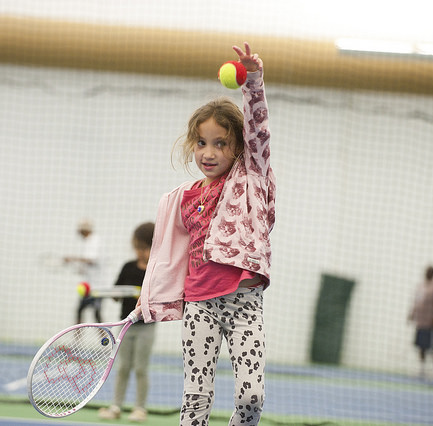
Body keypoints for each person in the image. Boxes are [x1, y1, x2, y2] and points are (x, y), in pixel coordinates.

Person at [136, 42, 275, 426]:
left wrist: (253, 81)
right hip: (200, 304)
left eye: (220, 143)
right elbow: (168, 258)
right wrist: (151, 298)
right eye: (201, 143)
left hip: (244, 303)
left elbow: (259, 129)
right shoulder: (185, 197)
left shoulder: (250, 179)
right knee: (195, 400)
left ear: (238, 148)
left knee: (252, 397)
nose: (208, 152)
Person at [99, 222, 157, 422]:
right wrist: (114, 294)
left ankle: (140, 408)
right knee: (123, 367)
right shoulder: (127, 267)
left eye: (145, 248)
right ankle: (116, 406)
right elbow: (117, 293)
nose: (141, 253)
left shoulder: (155, 270)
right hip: (125, 326)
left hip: (146, 328)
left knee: (141, 368)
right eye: (137, 248)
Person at [408, 265, 433, 379]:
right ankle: (422, 370)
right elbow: (416, 302)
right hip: (421, 322)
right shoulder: (421, 287)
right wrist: (412, 314)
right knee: (421, 347)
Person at [64, 219, 103, 323]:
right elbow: (88, 265)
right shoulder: (88, 242)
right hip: (88, 287)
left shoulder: (94, 240)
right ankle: (77, 339)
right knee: (80, 312)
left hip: (97, 288)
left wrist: (72, 259)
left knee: (96, 316)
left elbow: (91, 260)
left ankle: (106, 339)